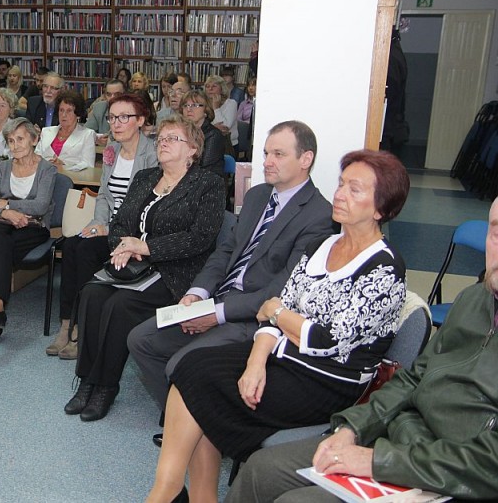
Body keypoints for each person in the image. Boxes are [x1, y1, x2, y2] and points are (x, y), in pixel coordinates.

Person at [146, 149, 411, 503]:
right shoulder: (323, 244)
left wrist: (277, 314)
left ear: (380, 208)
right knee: (192, 366)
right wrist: (256, 361)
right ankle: (180, 492)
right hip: (282, 356)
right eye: (341, 184)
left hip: (326, 382)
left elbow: (323, 339)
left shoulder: (385, 267)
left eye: (355, 189)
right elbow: (275, 313)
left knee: (205, 385)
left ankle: (166, 495)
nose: (340, 194)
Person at [229, 198, 498, 503]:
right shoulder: (474, 299)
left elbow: (489, 463)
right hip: (401, 438)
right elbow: (413, 378)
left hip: (455, 474)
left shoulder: (385, 266)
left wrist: (378, 461)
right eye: (496, 232)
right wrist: (354, 427)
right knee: (261, 470)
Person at [127, 120, 335, 424]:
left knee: (180, 364)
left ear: (306, 160)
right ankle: (185, 420)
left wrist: (217, 314)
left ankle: (198, 430)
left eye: (278, 154)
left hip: (253, 316)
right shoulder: (257, 196)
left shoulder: (319, 215)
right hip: (217, 298)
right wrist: (196, 293)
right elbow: (226, 252)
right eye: (265, 153)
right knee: (140, 339)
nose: (267, 162)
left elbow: (283, 290)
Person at [64, 114, 225, 422]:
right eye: (161, 139)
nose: (163, 144)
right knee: (91, 295)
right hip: (133, 263)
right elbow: (120, 220)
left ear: (193, 148)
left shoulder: (208, 184)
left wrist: (147, 247)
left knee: (121, 305)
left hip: (174, 270)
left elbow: (201, 238)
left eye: (172, 139)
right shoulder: (145, 177)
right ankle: (86, 380)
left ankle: (105, 387)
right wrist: (123, 246)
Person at [48, 93, 159, 360]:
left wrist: (113, 230)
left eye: (124, 117)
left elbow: (148, 204)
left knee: (85, 251)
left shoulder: (152, 154)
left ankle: (83, 329)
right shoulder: (113, 149)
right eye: (112, 118)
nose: (116, 124)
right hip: (109, 225)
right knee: (71, 245)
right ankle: (67, 323)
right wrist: (98, 222)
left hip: (134, 232)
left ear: (140, 120)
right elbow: (106, 196)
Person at [0, 117, 57, 351]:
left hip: (33, 226)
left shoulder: (47, 169)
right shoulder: (2, 167)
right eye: (10, 140)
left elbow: (40, 207)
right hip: (1, 225)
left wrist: (6, 206)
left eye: (20, 139)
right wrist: (8, 214)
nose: (15, 145)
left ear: (33, 139)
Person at [37, 90, 96, 172]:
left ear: (77, 114)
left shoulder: (87, 134)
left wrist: (64, 164)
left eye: (69, 111)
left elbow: (89, 166)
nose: (64, 115)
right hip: (44, 176)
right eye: (61, 110)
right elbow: (36, 158)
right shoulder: (46, 132)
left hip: (72, 180)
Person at [179, 90, 225, 178]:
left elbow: (204, 169)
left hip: (207, 183)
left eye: (195, 105)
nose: (189, 109)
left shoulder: (213, 135)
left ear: (205, 111)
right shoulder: (180, 132)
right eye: (186, 105)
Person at [205, 74, 239, 150]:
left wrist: (216, 108)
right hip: (208, 143)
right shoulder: (203, 104)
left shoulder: (231, 103)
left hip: (227, 144)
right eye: (207, 86)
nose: (210, 89)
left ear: (222, 89)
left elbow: (225, 128)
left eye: (214, 86)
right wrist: (213, 128)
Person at [85, 79, 125, 145]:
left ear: (125, 95)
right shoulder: (99, 108)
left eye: (117, 94)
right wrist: (96, 140)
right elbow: (85, 132)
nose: (112, 97)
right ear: (105, 96)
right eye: (109, 94)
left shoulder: (132, 110)